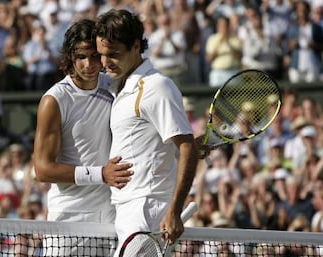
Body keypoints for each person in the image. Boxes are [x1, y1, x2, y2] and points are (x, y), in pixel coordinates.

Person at [94, 8, 199, 254]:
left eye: (113, 54)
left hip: (147, 211)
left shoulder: (156, 87)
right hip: (124, 210)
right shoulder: (117, 84)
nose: (105, 62)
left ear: (135, 47)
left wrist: (174, 210)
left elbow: (187, 147)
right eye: (101, 54)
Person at [33, 19, 133, 256]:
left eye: (95, 56)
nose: (89, 64)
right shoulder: (54, 100)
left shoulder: (116, 87)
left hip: (108, 215)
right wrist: (102, 174)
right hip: (68, 217)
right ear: (70, 57)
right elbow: (42, 170)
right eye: (81, 57)